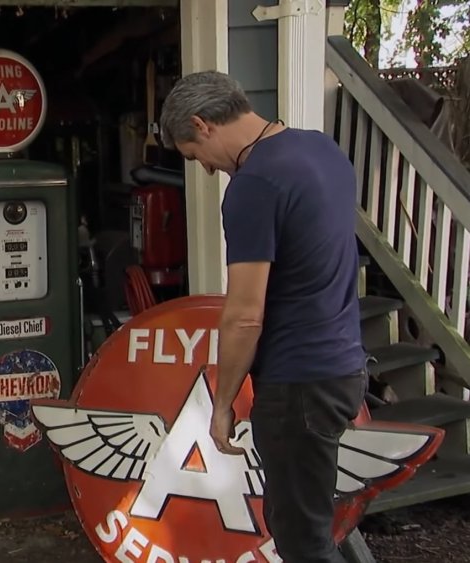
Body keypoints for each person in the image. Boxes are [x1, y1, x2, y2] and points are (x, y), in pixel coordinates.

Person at [158, 71, 368, 563]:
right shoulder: (322, 151)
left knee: (301, 540)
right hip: (342, 367)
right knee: (310, 517)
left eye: (194, 156)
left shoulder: (253, 186)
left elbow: (245, 316)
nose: (206, 170)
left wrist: (223, 403)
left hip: (299, 382)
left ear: (202, 124)